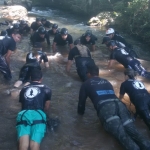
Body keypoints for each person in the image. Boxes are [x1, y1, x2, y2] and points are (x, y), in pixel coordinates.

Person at [78, 65, 150, 150]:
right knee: (134, 132)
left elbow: (81, 103)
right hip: (120, 105)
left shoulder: (86, 83)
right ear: (97, 73)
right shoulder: (106, 81)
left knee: (122, 136)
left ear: (88, 74)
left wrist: (79, 119)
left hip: (106, 108)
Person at [16, 69, 51, 150]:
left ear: (31, 78)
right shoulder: (46, 88)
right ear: (41, 79)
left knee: (23, 146)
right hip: (38, 114)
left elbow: (22, 105)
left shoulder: (24, 89)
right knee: (34, 145)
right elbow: (47, 106)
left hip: (24, 114)